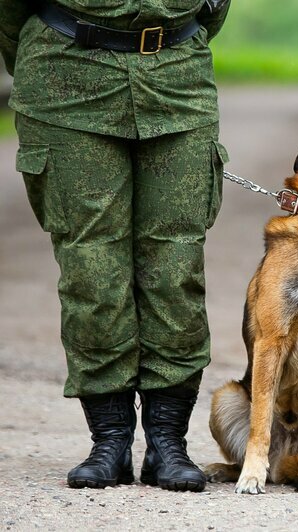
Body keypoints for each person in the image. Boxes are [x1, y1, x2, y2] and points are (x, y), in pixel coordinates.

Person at [0, 0, 230, 492]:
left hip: (177, 80)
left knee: (177, 267)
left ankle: (168, 442)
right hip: (66, 80)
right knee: (92, 268)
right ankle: (109, 440)